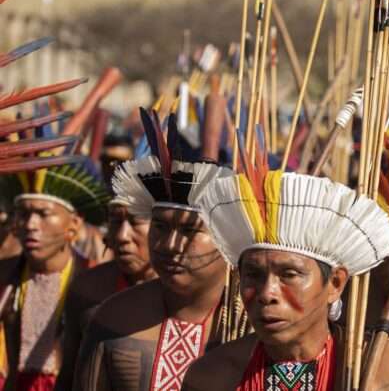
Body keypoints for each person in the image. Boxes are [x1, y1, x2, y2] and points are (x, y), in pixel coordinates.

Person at [181, 158, 389, 390]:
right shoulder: (212, 377)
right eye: (254, 274)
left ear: (335, 284)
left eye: (289, 274)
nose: (267, 293)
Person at [72, 111, 235, 391]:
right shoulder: (113, 317)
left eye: (189, 231)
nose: (170, 245)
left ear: (228, 240)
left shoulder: (256, 327)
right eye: (160, 226)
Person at [0, 157, 110, 390]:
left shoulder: (97, 283)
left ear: (74, 224)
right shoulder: (5, 277)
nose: (31, 224)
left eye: (43, 214)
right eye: (24, 213)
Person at [54, 198, 156, 390]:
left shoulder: (185, 294)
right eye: (116, 221)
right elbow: (68, 374)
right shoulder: (87, 289)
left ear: (163, 228)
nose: (122, 235)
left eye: (135, 221)